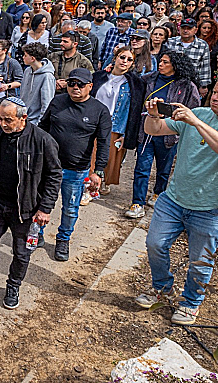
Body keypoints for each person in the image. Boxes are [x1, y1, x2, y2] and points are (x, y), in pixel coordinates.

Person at [135, 92, 218, 325]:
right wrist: (152, 115)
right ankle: (162, 288)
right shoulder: (198, 114)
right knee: (155, 243)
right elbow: (155, 129)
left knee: (200, 262)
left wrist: (196, 122)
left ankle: (191, 303)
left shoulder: (196, 118)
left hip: (209, 208)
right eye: (215, 92)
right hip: (173, 200)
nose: (215, 97)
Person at [0, 98, 62, 309]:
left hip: (26, 209)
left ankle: (13, 286)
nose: (3, 124)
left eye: (8, 120)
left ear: (23, 118)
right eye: (1, 118)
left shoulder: (42, 140)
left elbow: (55, 175)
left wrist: (45, 208)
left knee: (22, 252)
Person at [39, 68, 112, 262]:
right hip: (49, 165)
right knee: (41, 202)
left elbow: (104, 142)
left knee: (70, 207)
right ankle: (37, 232)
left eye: (80, 84)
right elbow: (42, 128)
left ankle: (63, 239)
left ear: (90, 86)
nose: (75, 88)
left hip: (76, 169)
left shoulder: (99, 111)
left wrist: (98, 171)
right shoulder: (57, 102)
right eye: (71, 83)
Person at [127, 51, 200, 219]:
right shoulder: (149, 79)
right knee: (142, 168)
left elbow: (193, 110)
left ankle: (158, 192)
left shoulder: (186, 86)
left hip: (169, 132)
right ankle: (137, 203)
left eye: (165, 62)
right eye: (160, 61)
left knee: (163, 169)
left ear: (175, 65)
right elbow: (133, 89)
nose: (161, 64)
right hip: (146, 130)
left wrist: (175, 118)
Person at [90, 47, 146, 195]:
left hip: (116, 125)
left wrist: (127, 133)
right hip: (93, 122)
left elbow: (134, 111)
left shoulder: (135, 83)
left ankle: (103, 183)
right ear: (115, 58)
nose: (125, 62)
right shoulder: (98, 77)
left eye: (129, 60)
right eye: (122, 57)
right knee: (91, 156)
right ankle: (89, 187)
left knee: (110, 159)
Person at [167, 17, 212, 97]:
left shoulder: (202, 45)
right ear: (179, 29)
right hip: (171, 82)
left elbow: (205, 67)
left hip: (193, 83)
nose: (185, 31)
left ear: (195, 30)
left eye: (189, 28)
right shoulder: (171, 42)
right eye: (183, 28)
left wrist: (203, 86)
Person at [19, 42, 55, 126]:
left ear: (32, 58)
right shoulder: (27, 71)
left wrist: (40, 123)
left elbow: (46, 103)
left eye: (25, 55)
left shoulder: (47, 76)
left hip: (35, 122)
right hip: (23, 119)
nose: (23, 57)